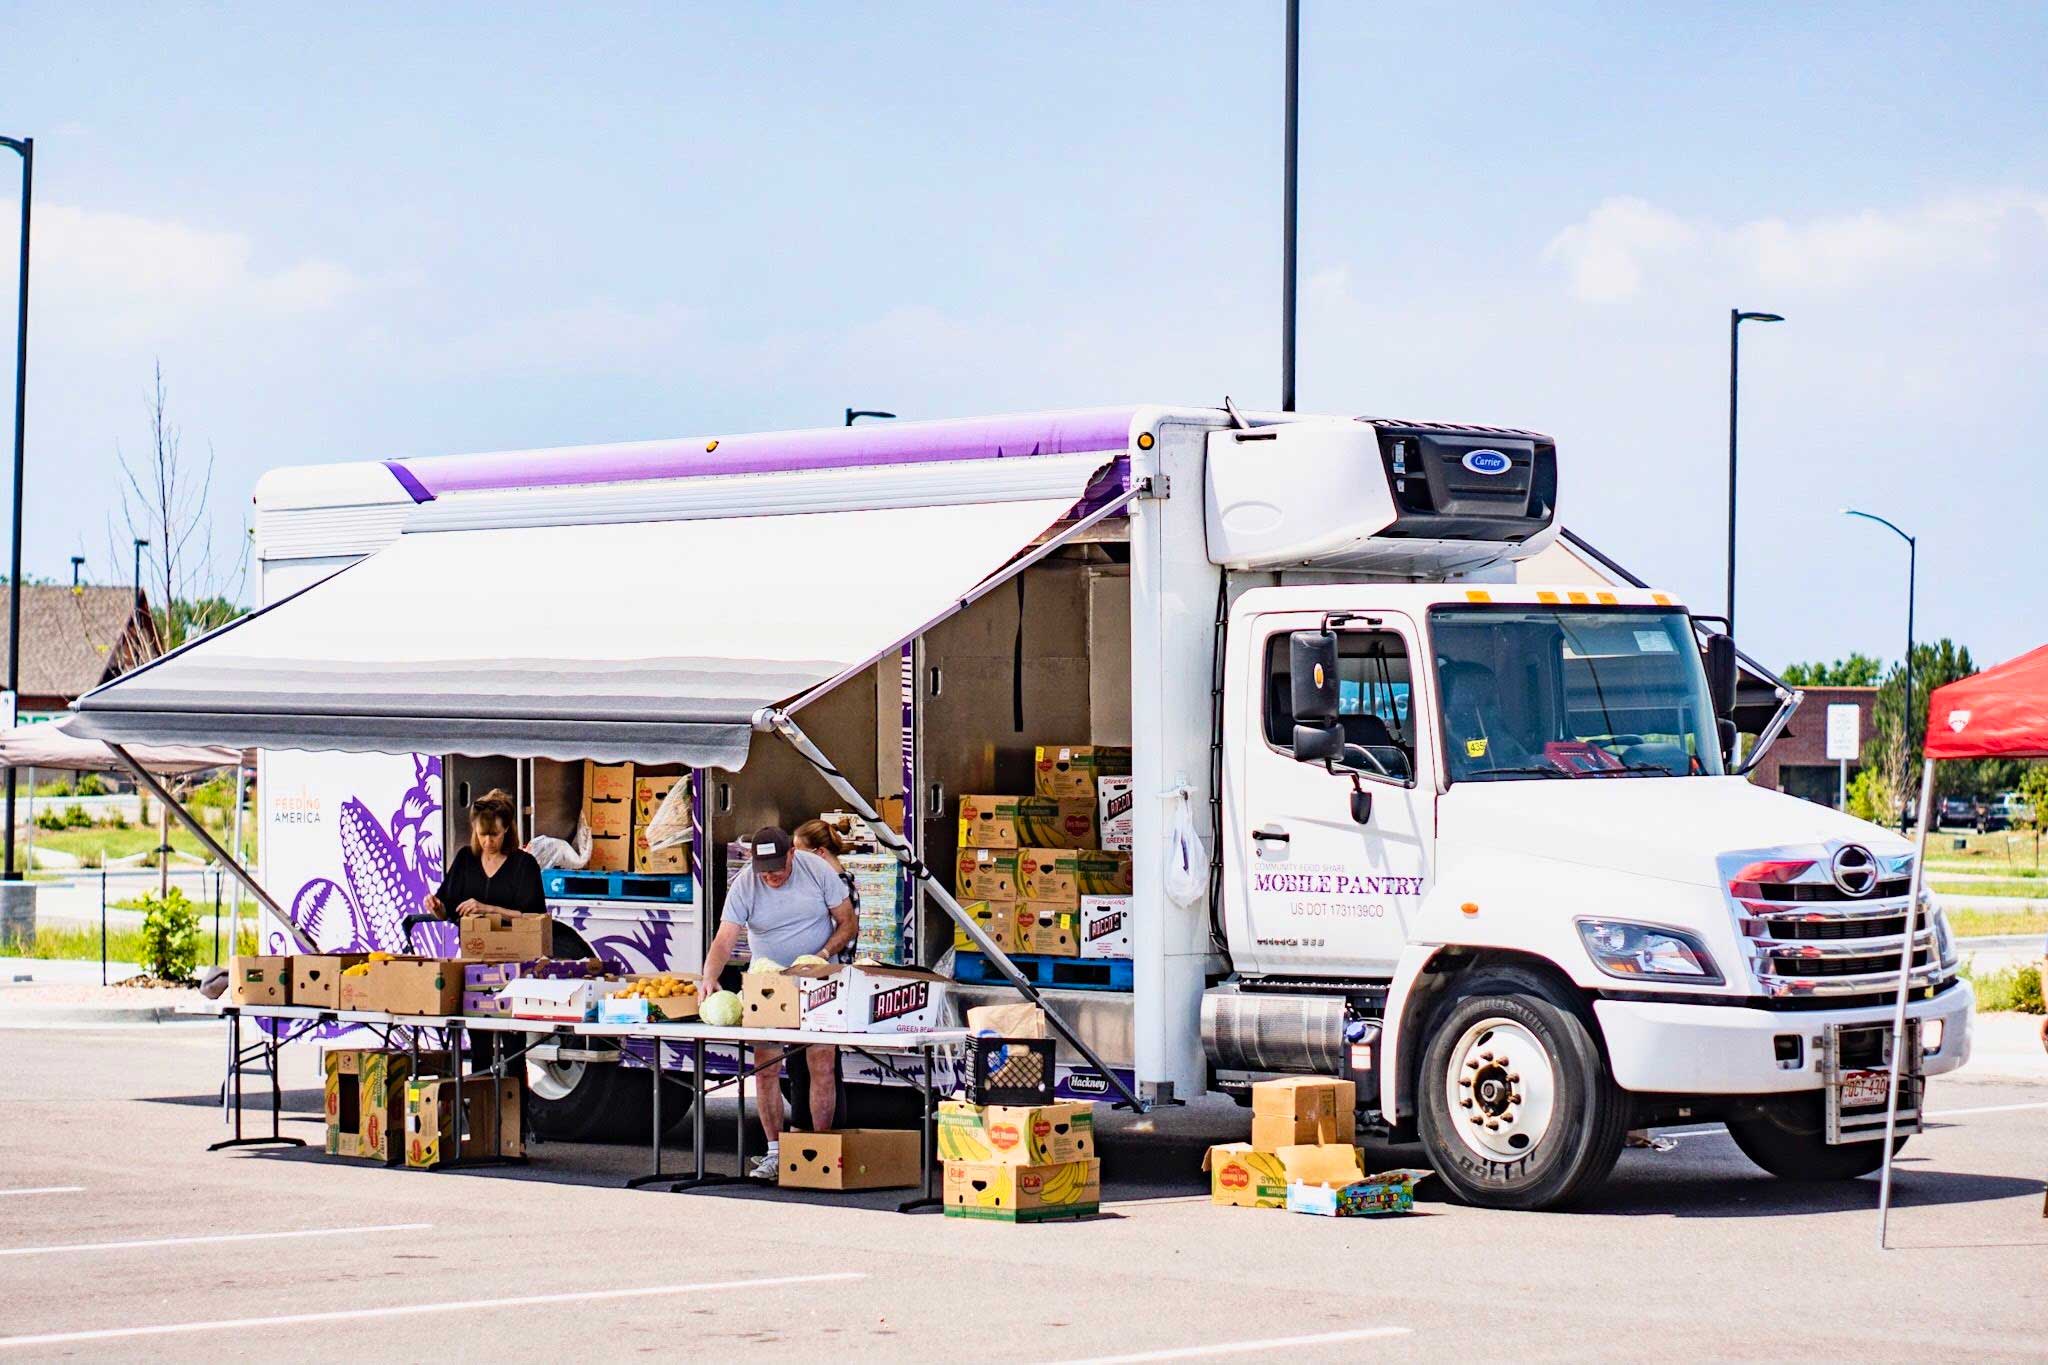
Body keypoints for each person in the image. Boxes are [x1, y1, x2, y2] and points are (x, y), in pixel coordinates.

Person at [699, 825, 856, 1181]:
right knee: (766, 1068)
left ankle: (820, 1150)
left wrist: (821, 955)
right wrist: (709, 975)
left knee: (821, 1063)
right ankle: (773, 1152)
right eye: (763, 870)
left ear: (791, 855)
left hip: (817, 977)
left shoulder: (817, 871)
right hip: (767, 983)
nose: (770, 876)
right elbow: (725, 939)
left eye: (777, 868)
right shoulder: (745, 882)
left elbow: (847, 923)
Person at [426, 789, 547, 921]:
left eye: (495, 834)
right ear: (474, 828)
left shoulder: (525, 864)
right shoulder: (465, 858)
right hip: (473, 941)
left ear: (506, 828)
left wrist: (488, 909)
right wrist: (437, 908)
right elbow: (447, 912)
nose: (488, 842)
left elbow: (536, 917)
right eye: (482, 834)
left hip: (515, 941)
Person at [794, 818, 861, 936]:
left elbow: (843, 931)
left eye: (802, 855)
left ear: (820, 852)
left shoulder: (840, 886)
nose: (798, 860)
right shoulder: (827, 882)